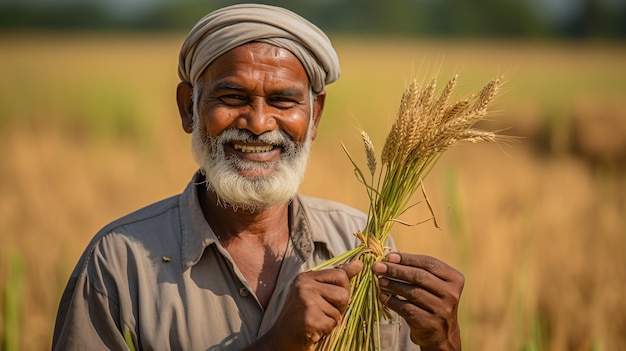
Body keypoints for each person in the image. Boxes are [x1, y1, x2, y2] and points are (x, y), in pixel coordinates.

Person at [52, 4, 464, 351]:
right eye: (232, 97)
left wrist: (443, 343)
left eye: (284, 100)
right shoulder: (118, 264)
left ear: (314, 115)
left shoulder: (362, 242)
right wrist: (275, 344)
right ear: (188, 109)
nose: (259, 123)